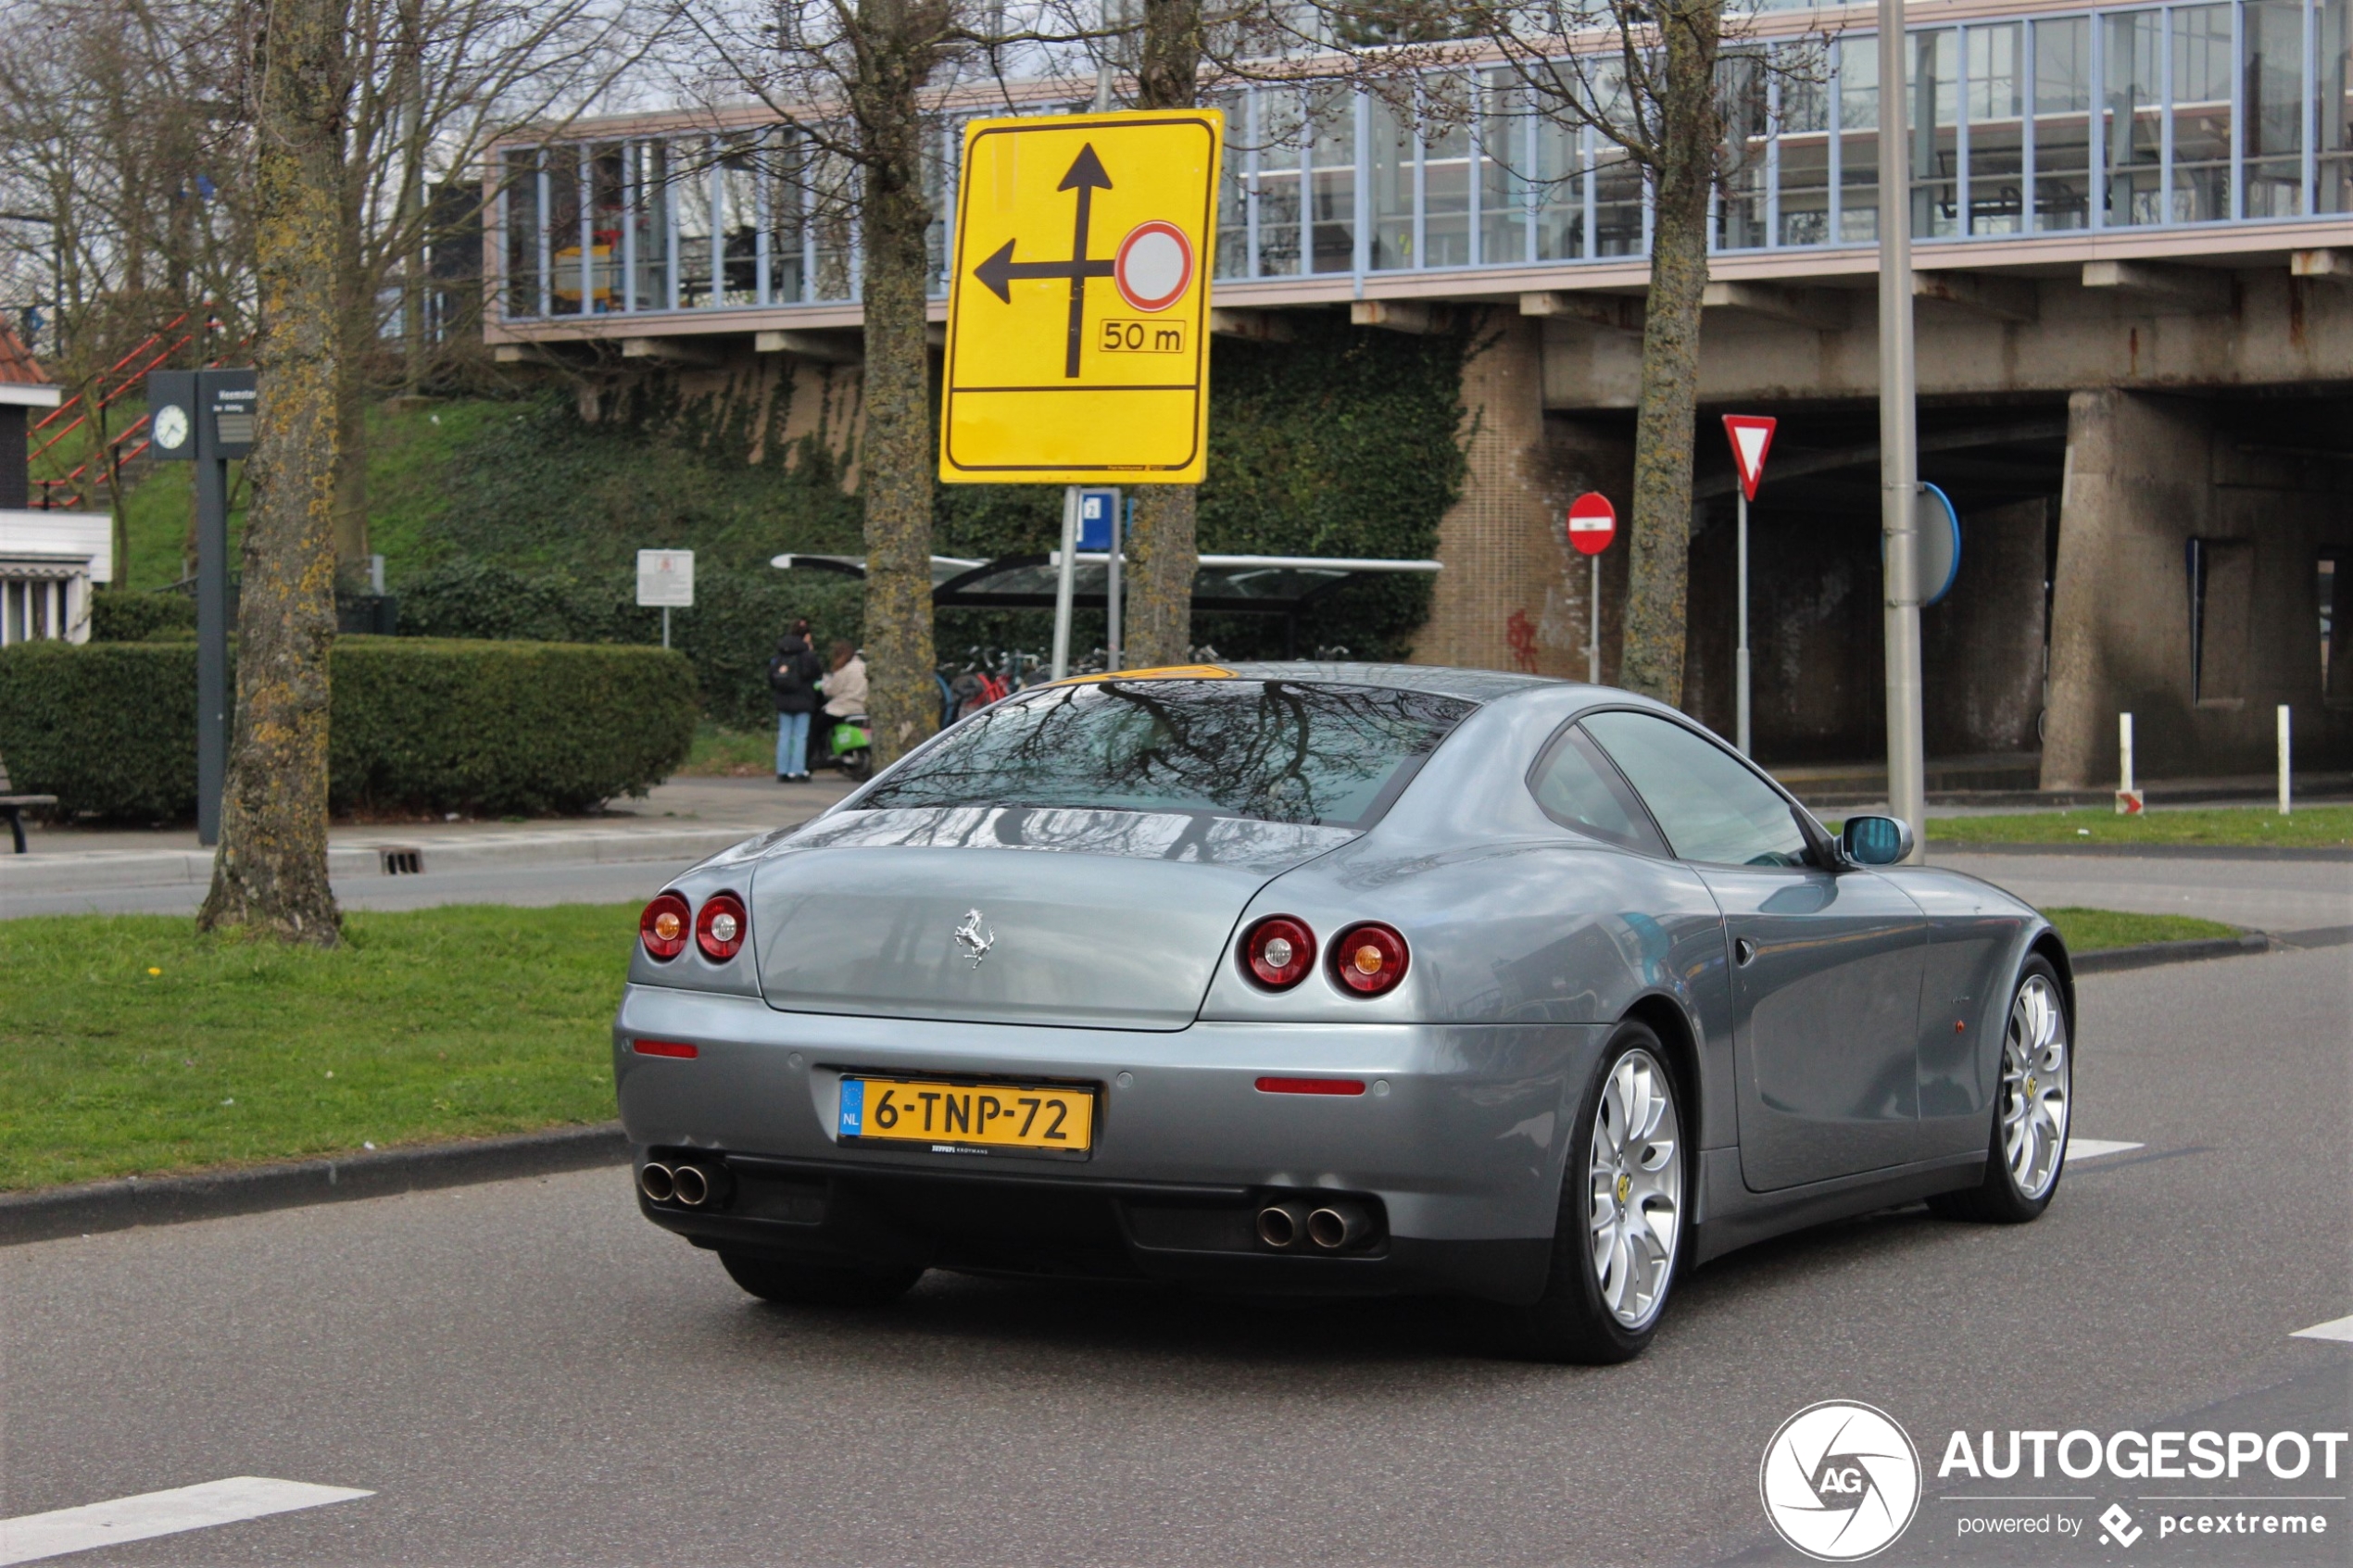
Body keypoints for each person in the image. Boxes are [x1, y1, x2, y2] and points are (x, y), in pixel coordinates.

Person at [767, 622, 823, 782]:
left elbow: (771, 677)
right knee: (800, 736)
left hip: (783, 699)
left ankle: (782, 771)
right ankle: (797, 770)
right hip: (804, 699)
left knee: (784, 735)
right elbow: (817, 672)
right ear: (806, 637)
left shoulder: (780, 654)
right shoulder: (807, 655)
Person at [820, 641, 867, 724]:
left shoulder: (844, 669)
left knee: (817, 729)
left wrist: (824, 684)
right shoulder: (864, 667)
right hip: (859, 709)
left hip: (841, 709)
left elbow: (833, 691)